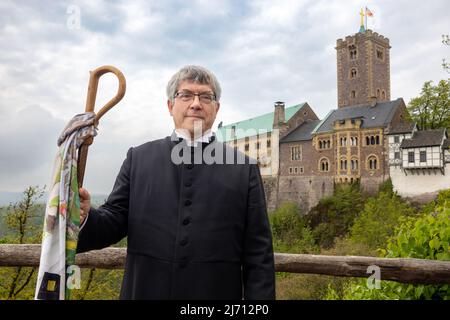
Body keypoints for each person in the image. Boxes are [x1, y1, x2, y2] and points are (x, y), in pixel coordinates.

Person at [77, 65, 276, 300]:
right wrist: (85, 216)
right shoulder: (138, 158)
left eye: (205, 96)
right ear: (170, 106)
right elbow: (112, 221)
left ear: (216, 108)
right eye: (186, 95)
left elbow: (258, 256)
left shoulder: (244, 169)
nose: (196, 103)